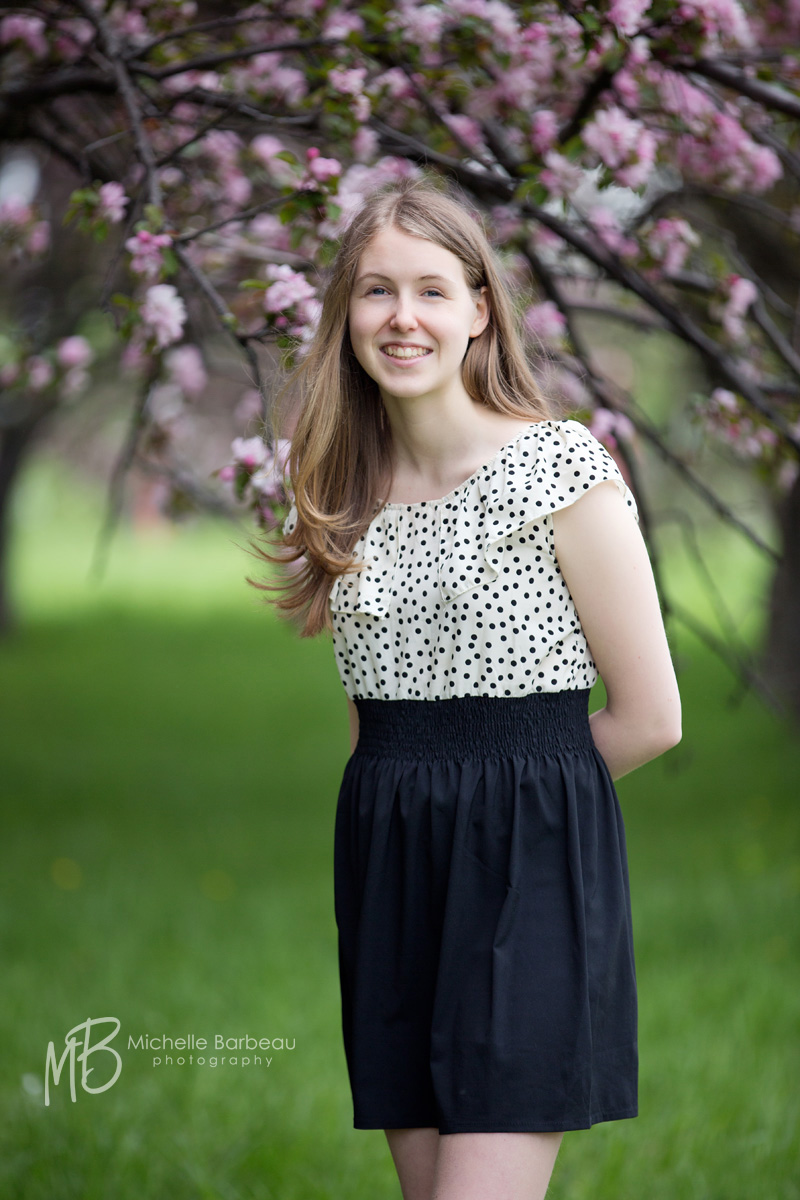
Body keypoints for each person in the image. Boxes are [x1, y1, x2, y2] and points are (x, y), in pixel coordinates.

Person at [254, 175, 682, 1200]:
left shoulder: (557, 469)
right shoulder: (339, 494)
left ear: (479, 309)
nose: (401, 317)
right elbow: (370, 729)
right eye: (373, 291)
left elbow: (650, 718)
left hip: (525, 863)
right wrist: (418, 823)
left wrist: (516, 813)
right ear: (343, 315)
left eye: (431, 290)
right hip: (390, 864)